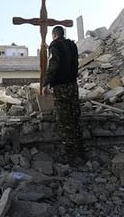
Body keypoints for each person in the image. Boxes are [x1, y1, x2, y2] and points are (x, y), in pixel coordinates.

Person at [42, 25, 84, 164]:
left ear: (54, 35)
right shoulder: (72, 45)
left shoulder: (55, 45)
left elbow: (54, 64)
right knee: (74, 117)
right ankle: (81, 152)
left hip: (61, 87)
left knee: (65, 120)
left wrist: (46, 83)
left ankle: (69, 156)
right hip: (73, 85)